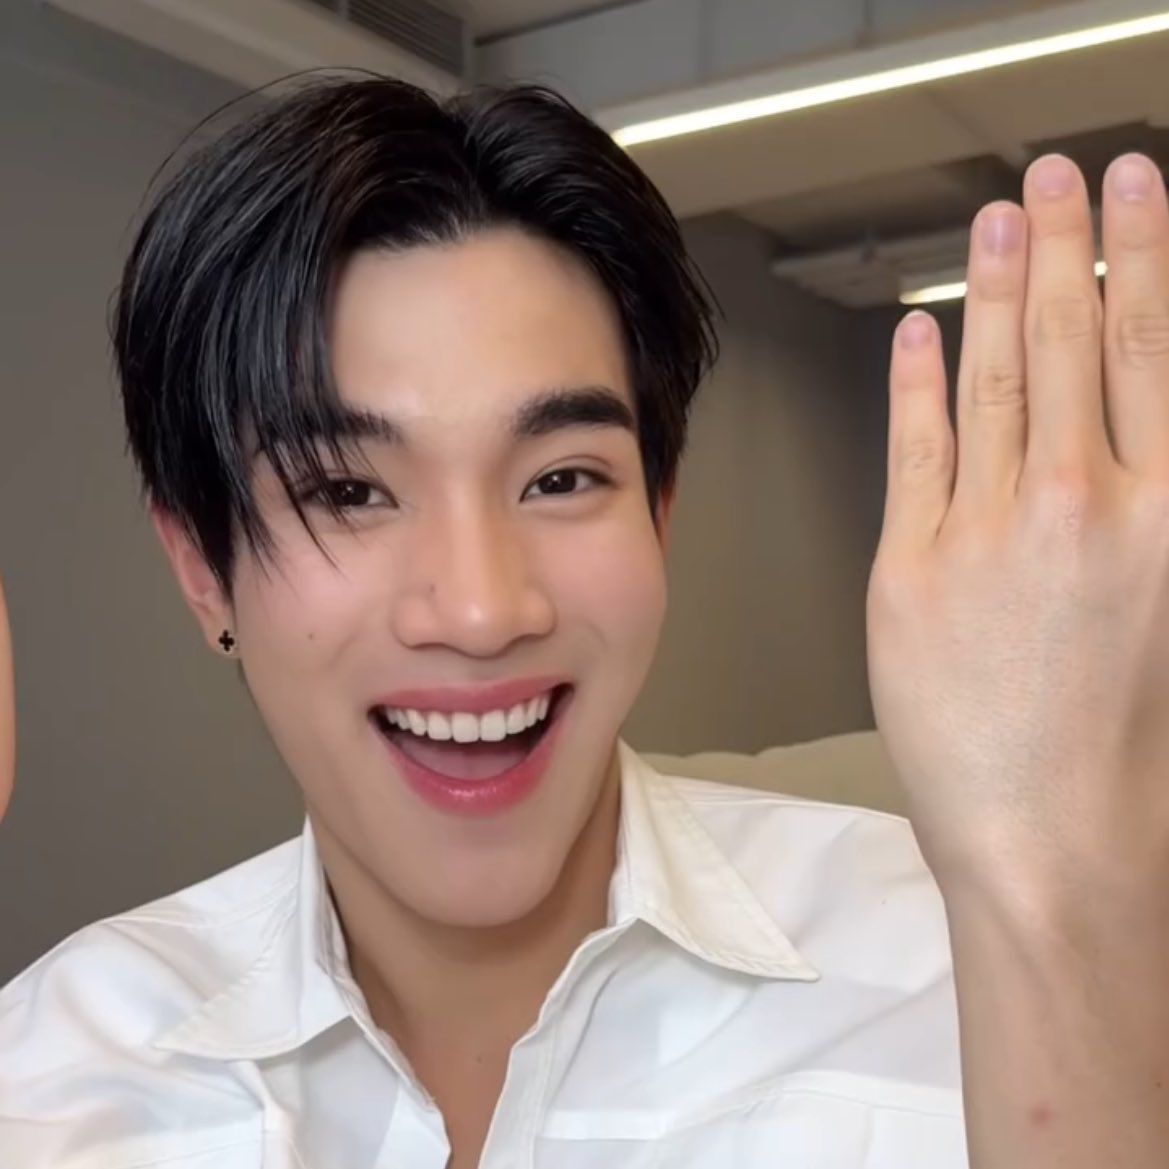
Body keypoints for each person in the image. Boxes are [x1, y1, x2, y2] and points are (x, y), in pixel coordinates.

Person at [1, 74, 1167, 1169]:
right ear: (203, 568)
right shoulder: (51, 1076)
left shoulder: (962, 959)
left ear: (658, 512)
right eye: (347, 491)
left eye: (560, 478)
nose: (480, 609)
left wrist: (1054, 899)